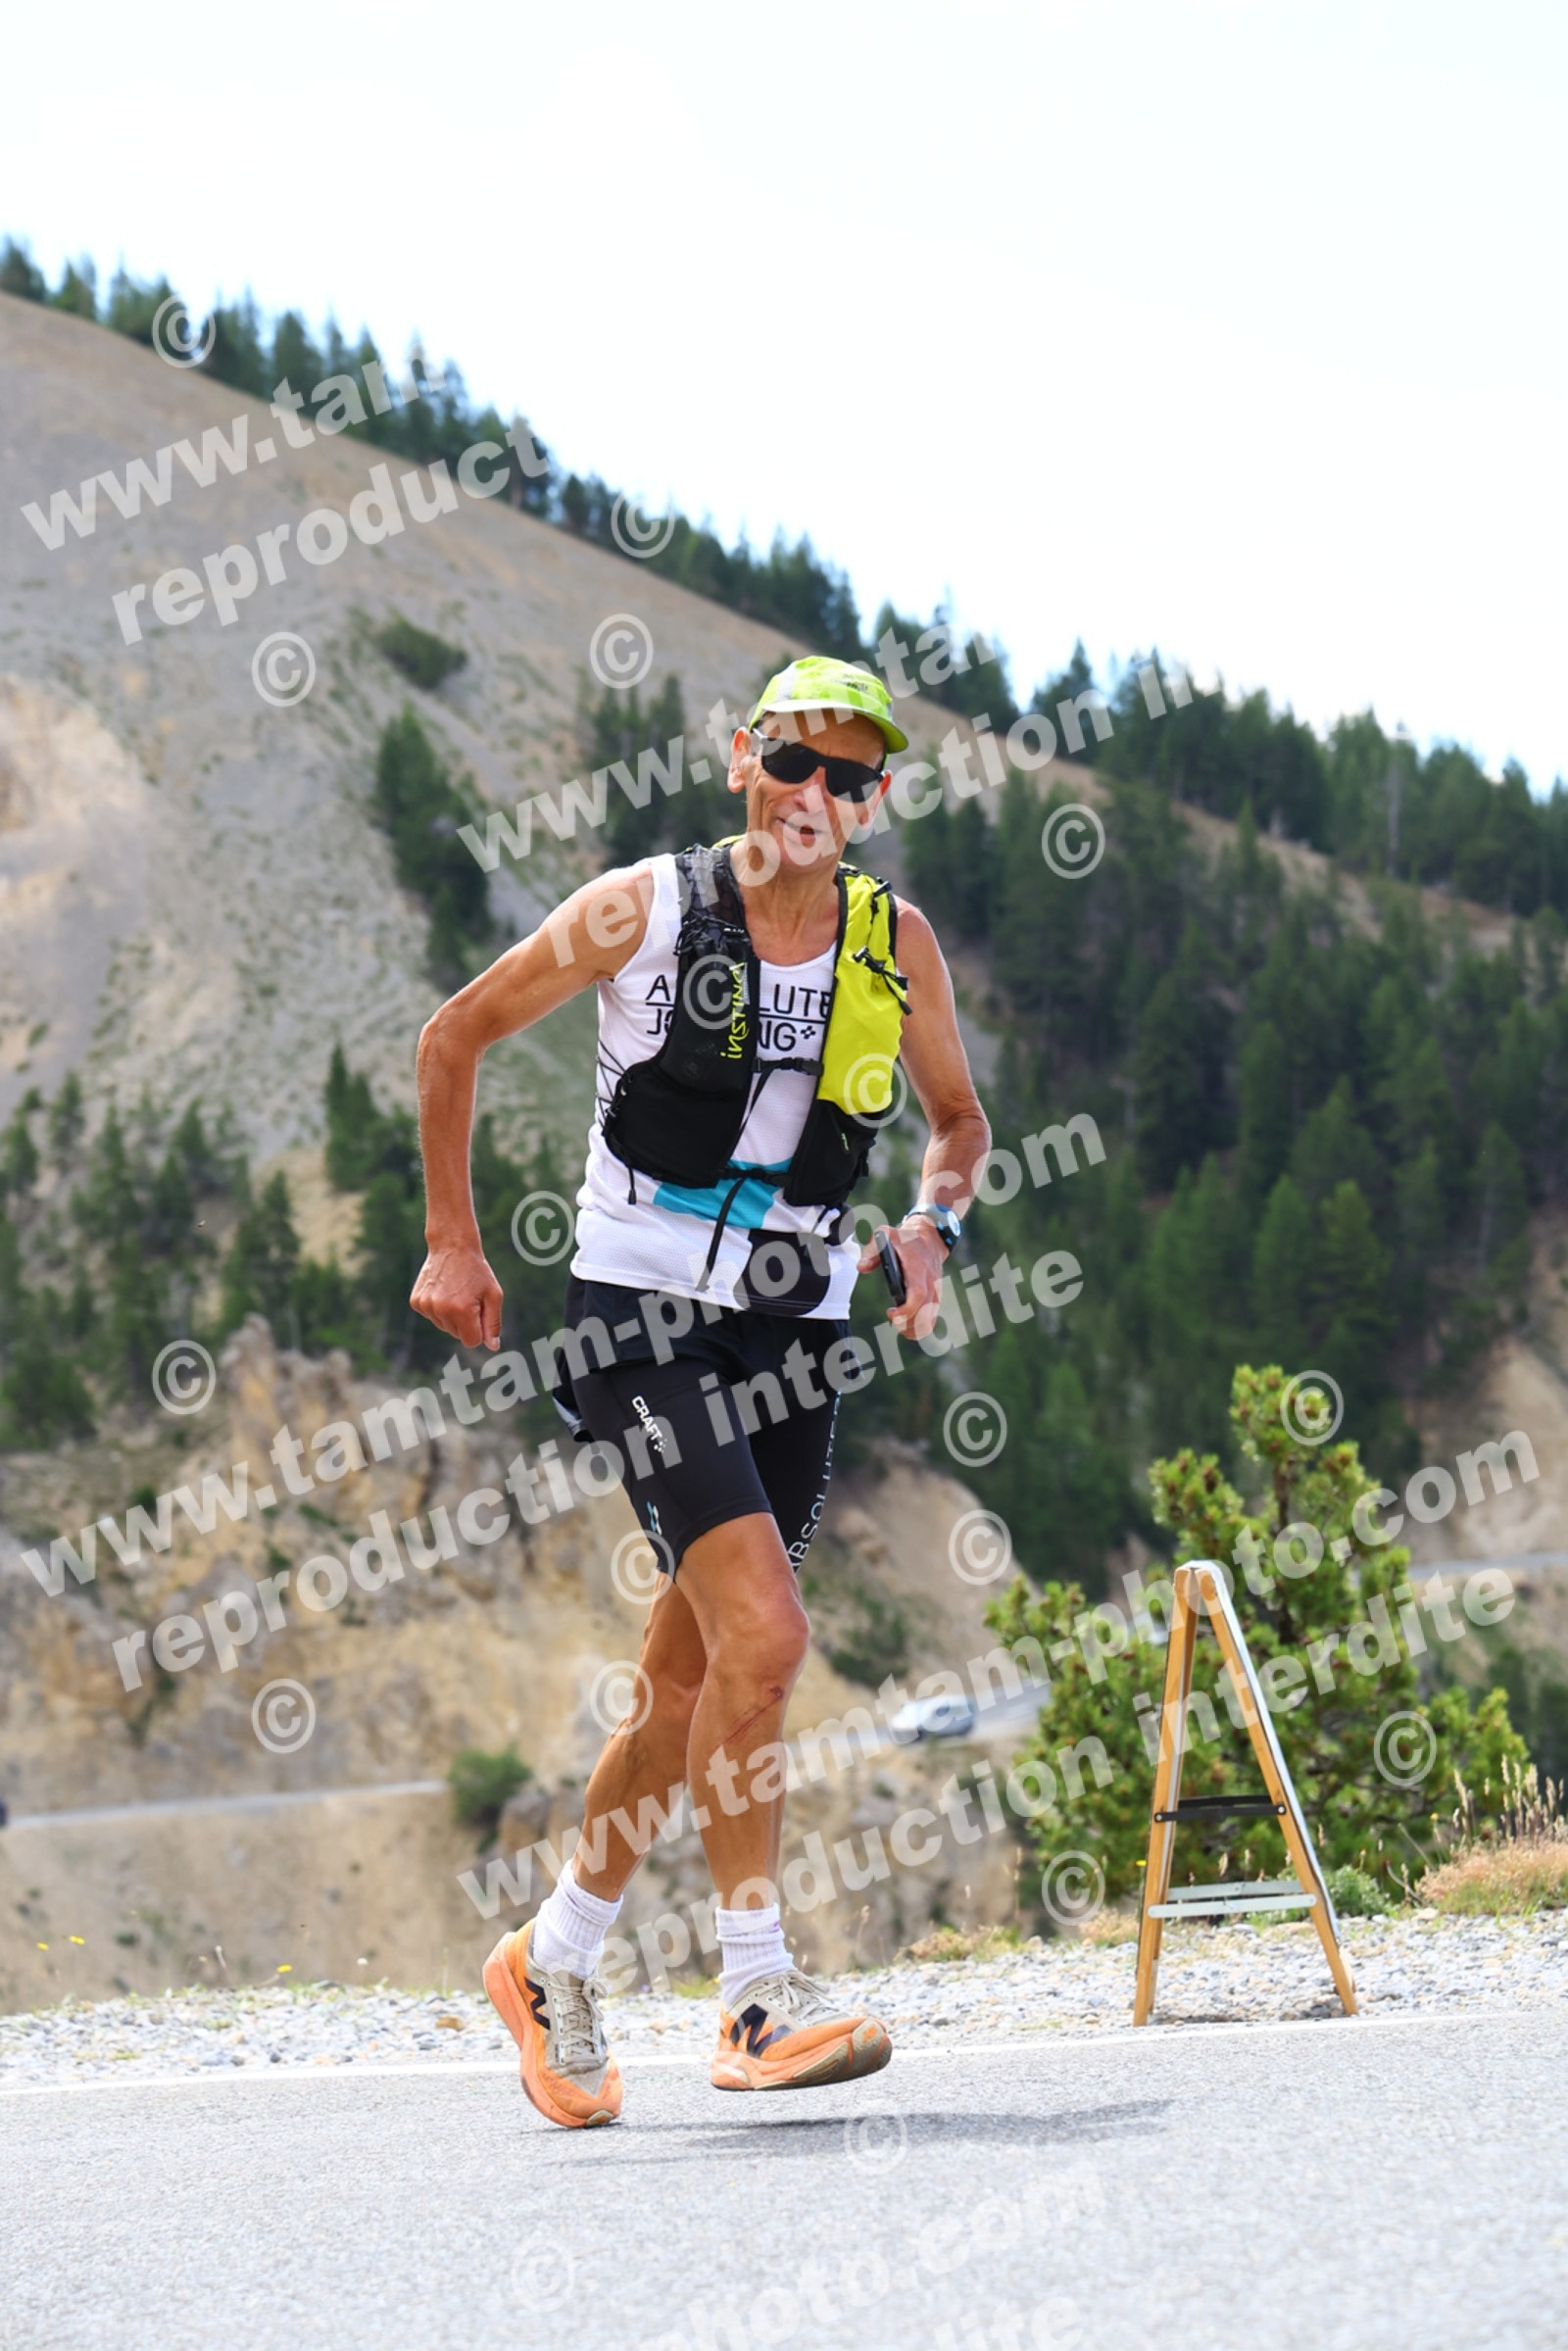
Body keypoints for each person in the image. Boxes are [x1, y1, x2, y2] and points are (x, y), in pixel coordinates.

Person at [412, 655, 991, 2129]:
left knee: (690, 1682)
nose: (814, 795)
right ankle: (752, 1994)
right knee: (769, 1634)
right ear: (743, 758)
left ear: (874, 801)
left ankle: (550, 1961)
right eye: (793, 761)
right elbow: (452, 1036)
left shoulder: (894, 942)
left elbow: (959, 1123)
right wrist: (454, 1243)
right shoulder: (645, 910)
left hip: (796, 1329)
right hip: (640, 1318)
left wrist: (934, 1226)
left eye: (847, 777)